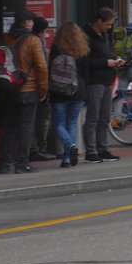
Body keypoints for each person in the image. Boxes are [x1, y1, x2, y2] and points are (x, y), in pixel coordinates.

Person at [0, 10, 48, 174]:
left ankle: (4, 164)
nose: (32, 24)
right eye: (31, 21)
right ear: (26, 23)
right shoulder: (33, 40)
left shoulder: (5, 38)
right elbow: (41, 67)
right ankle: (22, 164)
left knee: (9, 128)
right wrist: (43, 90)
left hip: (8, 88)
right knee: (26, 128)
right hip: (28, 89)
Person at [83, 7, 123, 163]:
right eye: (107, 24)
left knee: (104, 117)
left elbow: (107, 54)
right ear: (98, 21)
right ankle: (91, 150)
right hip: (95, 80)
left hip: (106, 80)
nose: (109, 27)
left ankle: (102, 148)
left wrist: (115, 59)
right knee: (93, 116)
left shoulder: (104, 36)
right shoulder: (87, 37)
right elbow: (86, 61)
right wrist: (107, 62)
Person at [49, 22, 90, 168]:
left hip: (59, 90)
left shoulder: (56, 47)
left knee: (58, 123)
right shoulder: (82, 48)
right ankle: (67, 157)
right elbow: (86, 71)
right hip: (78, 89)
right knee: (71, 122)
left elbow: (50, 69)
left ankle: (70, 146)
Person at [29, 16, 57, 162]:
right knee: (41, 120)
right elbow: (42, 66)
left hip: (31, 85)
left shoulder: (29, 40)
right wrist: (44, 88)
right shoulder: (38, 42)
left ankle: (34, 148)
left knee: (35, 120)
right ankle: (39, 149)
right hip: (39, 85)